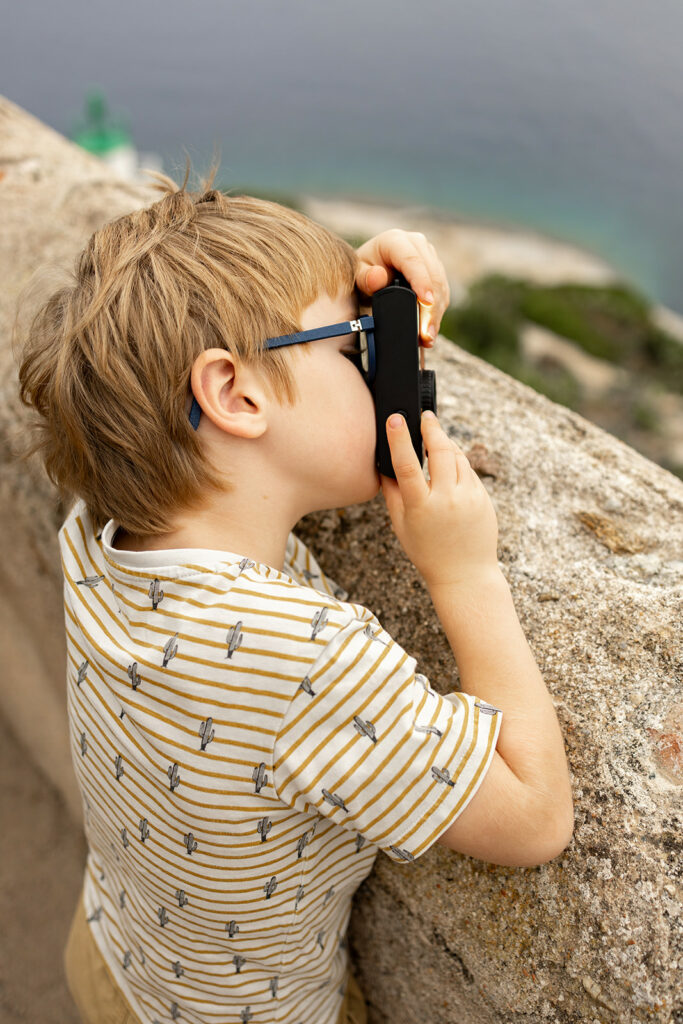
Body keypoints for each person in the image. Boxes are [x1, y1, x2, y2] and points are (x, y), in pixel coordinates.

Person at [15, 158, 573, 1024]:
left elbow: (214, 413)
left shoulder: (98, 532)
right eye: (358, 349)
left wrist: (330, 298)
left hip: (112, 958)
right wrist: (464, 571)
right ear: (233, 393)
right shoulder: (309, 660)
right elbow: (536, 819)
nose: (381, 365)